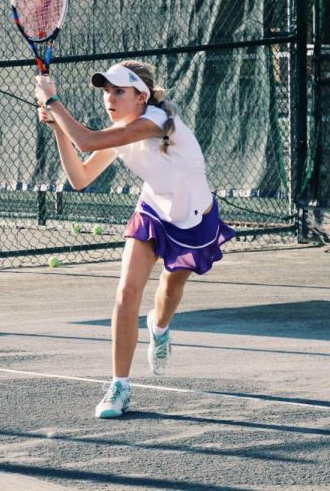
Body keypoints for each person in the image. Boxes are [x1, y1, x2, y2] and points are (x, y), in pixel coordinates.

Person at [34, 60, 234, 418]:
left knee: (169, 294)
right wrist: (58, 130)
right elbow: (80, 177)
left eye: (118, 91)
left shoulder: (155, 122)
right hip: (153, 211)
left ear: (141, 97)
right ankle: (120, 386)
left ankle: (159, 331)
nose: (109, 98)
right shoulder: (122, 130)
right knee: (126, 293)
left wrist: (52, 102)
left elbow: (88, 140)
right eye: (106, 92)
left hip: (192, 222)